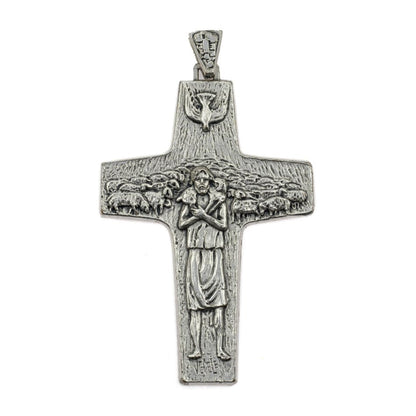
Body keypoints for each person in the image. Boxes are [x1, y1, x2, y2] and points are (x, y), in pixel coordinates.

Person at [177, 166, 230, 361]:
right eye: (198, 179)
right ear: (193, 182)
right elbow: (181, 224)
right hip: (195, 254)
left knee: (219, 304)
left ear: (210, 182)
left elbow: (223, 225)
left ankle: (220, 348)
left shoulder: (219, 200)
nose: (201, 183)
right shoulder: (189, 200)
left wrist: (204, 216)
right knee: (193, 305)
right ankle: (196, 348)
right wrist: (196, 215)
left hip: (214, 254)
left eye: (205, 179)